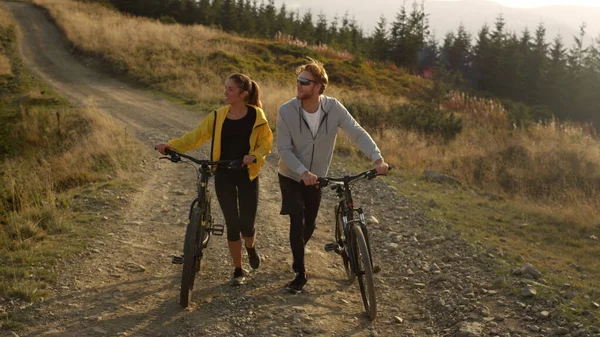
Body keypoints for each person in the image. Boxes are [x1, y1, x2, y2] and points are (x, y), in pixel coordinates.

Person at [276, 58, 389, 292]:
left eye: (304, 82)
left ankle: (297, 251)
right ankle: (300, 272)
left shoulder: (333, 108)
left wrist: (377, 159)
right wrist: (303, 171)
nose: (298, 85)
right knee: (298, 217)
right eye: (298, 81)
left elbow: (356, 132)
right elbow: (284, 150)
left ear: (318, 86)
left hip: (317, 177)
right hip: (291, 175)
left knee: (310, 225)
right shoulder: (286, 111)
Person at [156, 74, 273, 286]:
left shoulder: (257, 116)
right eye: (225, 88)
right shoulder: (218, 116)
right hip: (224, 174)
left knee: (247, 224)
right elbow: (196, 136)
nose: (225, 92)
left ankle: (250, 246)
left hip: (247, 174)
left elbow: (266, 143)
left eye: (230, 89)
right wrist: (171, 146)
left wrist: (254, 155)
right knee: (232, 223)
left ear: (243, 94)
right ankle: (238, 270)